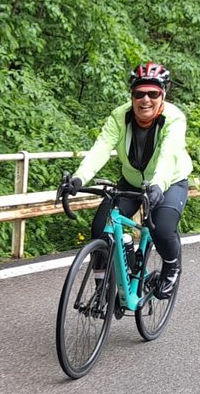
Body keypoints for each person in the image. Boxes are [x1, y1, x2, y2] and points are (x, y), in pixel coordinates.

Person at [58, 61, 192, 299]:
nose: (145, 100)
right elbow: (101, 148)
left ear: (163, 94)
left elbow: (168, 154)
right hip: (131, 182)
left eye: (153, 93)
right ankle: (103, 289)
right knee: (100, 229)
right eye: (139, 93)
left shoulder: (174, 118)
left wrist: (158, 185)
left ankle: (172, 267)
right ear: (132, 95)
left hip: (169, 182)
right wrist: (79, 178)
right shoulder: (119, 116)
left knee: (161, 229)